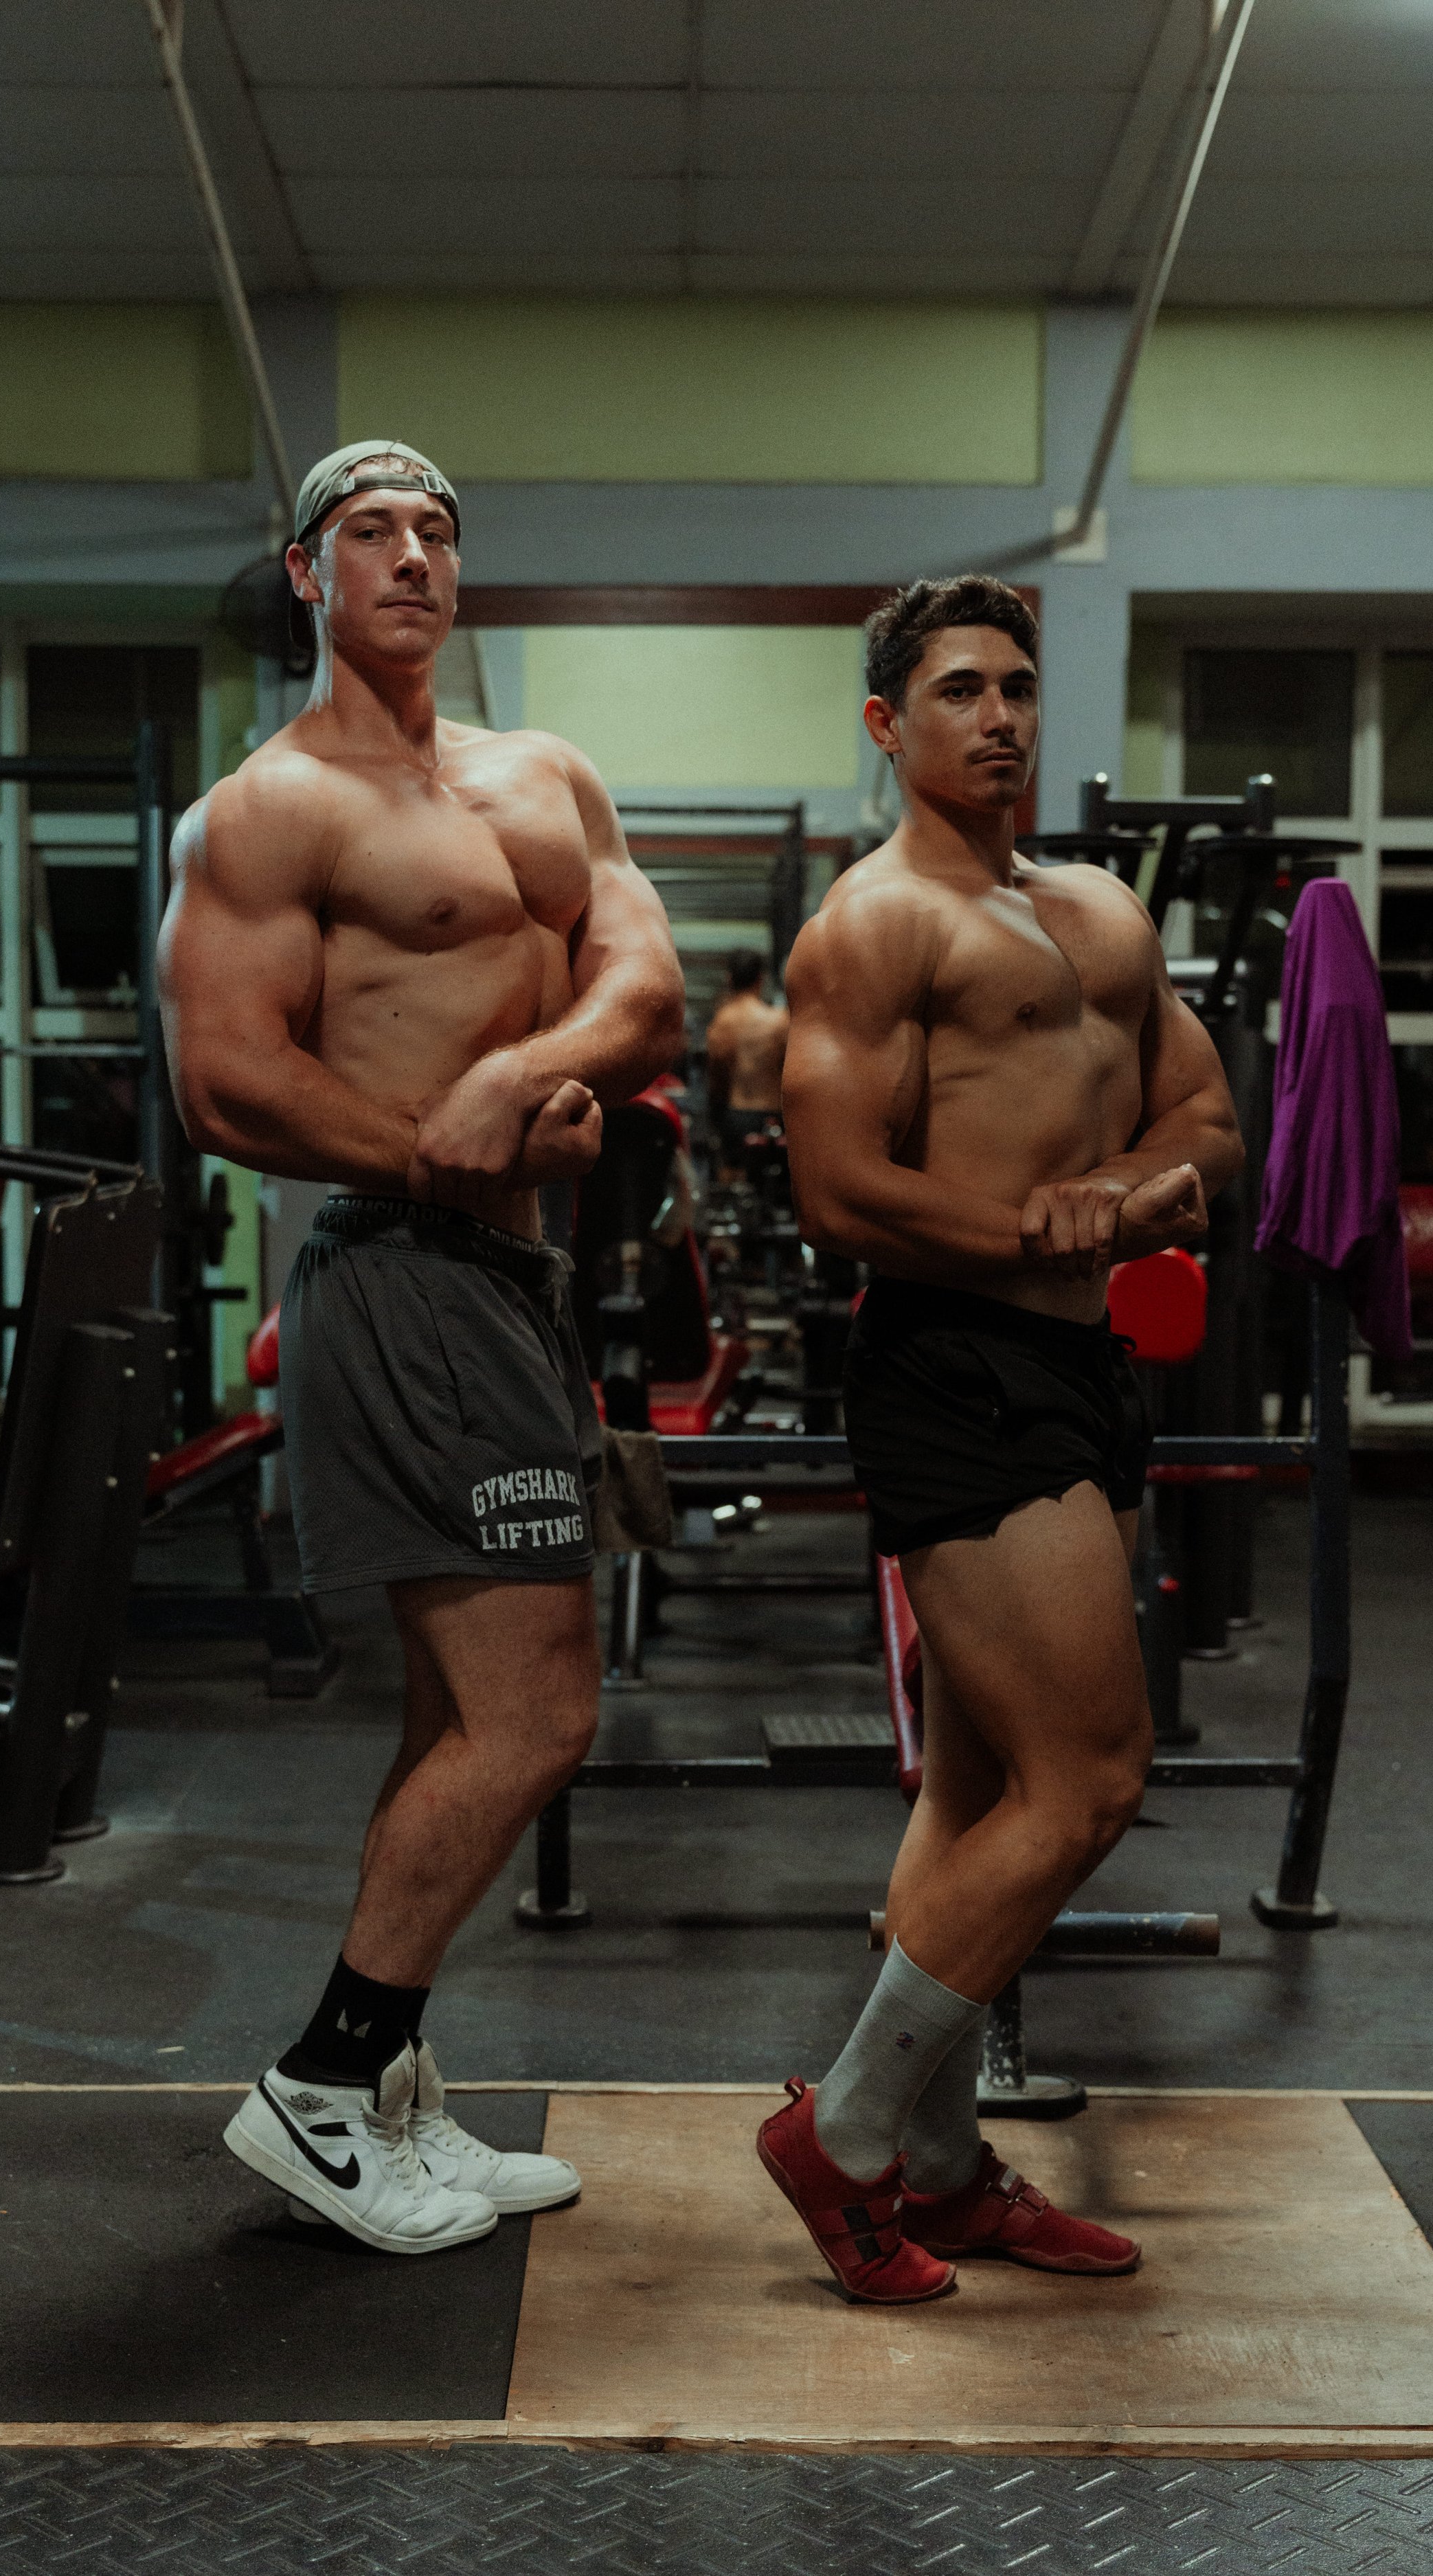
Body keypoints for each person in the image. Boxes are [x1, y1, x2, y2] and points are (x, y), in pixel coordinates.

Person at [159, 439, 684, 2255]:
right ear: (307, 573)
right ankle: (321, 2086)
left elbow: (644, 987)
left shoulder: (545, 776)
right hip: (403, 1268)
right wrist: (438, 1142)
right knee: (539, 1713)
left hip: (511, 1280)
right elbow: (228, 1077)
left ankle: (389, 2090)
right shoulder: (269, 810)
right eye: (369, 531)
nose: (411, 555)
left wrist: (518, 1072)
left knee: (458, 1712)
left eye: (437, 530)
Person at [760, 575, 1243, 2303]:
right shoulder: (872, 926)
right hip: (956, 1367)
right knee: (1089, 1779)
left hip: (1081, 1361)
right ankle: (845, 2136)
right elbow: (837, 1192)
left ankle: (949, 2169)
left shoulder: (1098, 909)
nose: (1000, 716)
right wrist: (1034, 1230)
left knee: (976, 1790)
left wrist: (1115, 1194)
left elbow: (1205, 1115)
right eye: (959, 688)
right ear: (885, 724)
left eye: (1018, 686)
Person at [706, 949, 788, 1173]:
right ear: (761, 979)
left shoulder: (723, 1021)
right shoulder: (780, 1021)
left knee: (735, 1176)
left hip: (737, 1116)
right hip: (774, 1115)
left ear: (729, 979)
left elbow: (717, 1077)